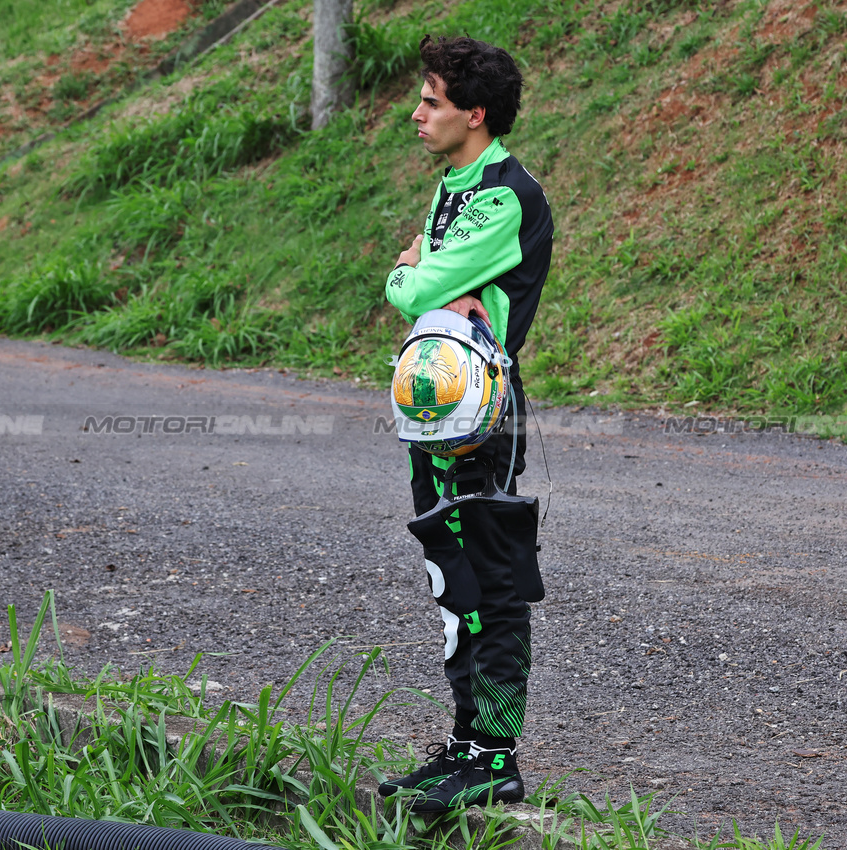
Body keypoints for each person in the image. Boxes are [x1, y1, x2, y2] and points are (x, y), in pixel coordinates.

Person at [380, 35, 553, 813]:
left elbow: (415, 287)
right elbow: (428, 287)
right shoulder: (457, 181)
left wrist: (407, 273)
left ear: (472, 114)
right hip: (433, 413)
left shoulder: (503, 194)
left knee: (490, 577)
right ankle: (465, 746)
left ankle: (493, 757)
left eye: (431, 100)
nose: (417, 113)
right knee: (452, 580)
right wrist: (421, 279)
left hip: (479, 418)